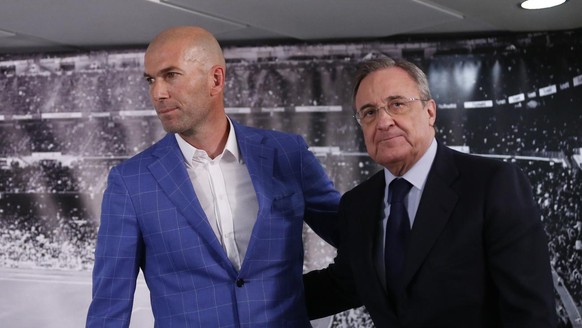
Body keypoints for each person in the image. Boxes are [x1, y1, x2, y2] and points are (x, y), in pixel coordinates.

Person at [86, 26, 340, 327]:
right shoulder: (130, 182)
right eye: (150, 80)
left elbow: (355, 239)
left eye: (171, 75)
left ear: (215, 79)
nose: (158, 93)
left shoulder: (287, 154)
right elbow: (109, 308)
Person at [303, 57, 557, 327]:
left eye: (397, 104)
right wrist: (257, 293)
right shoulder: (357, 204)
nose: (383, 122)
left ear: (430, 112)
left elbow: (531, 314)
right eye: (369, 112)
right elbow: (345, 284)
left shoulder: (493, 184)